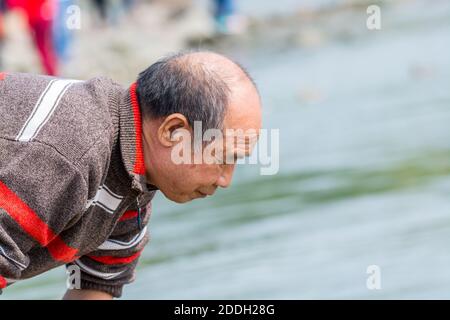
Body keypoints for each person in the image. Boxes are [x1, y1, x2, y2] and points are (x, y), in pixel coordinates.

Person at [0, 51, 262, 299]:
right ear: (173, 132)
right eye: (223, 158)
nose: (225, 180)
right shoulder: (68, 155)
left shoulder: (132, 184)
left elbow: (97, 282)